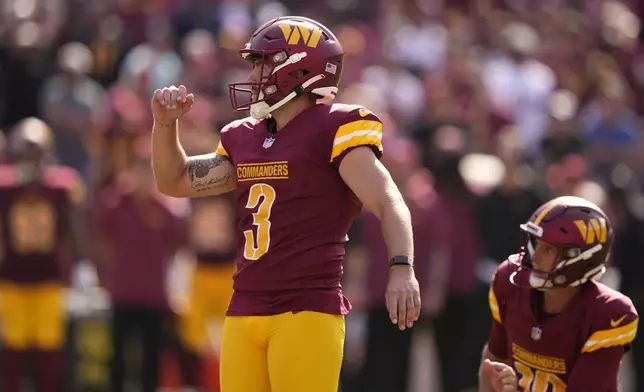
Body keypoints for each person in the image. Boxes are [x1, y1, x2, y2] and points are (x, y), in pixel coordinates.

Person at [150, 15, 421, 392]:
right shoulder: (243, 137)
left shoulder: (335, 127)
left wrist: (401, 266)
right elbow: (174, 181)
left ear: (298, 69)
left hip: (306, 308)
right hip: (244, 306)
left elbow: (389, 200)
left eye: (265, 61)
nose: (256, 73)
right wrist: (165, 126)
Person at [479, 196, 639, 392]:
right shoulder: (508, 283)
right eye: (536, 244)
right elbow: (492, 362)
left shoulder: (609, 314)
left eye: (547, 249)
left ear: (579, 259)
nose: (535, 257)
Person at [0, 117, 86, 392]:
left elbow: (73, 229)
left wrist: (78, 266)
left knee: (50, 350)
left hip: (49, 278)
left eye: (35, 151)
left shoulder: (61, 186)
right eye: (25, 151)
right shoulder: (5, 188)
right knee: (13, 349)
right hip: (12, 278)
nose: (30, 158)